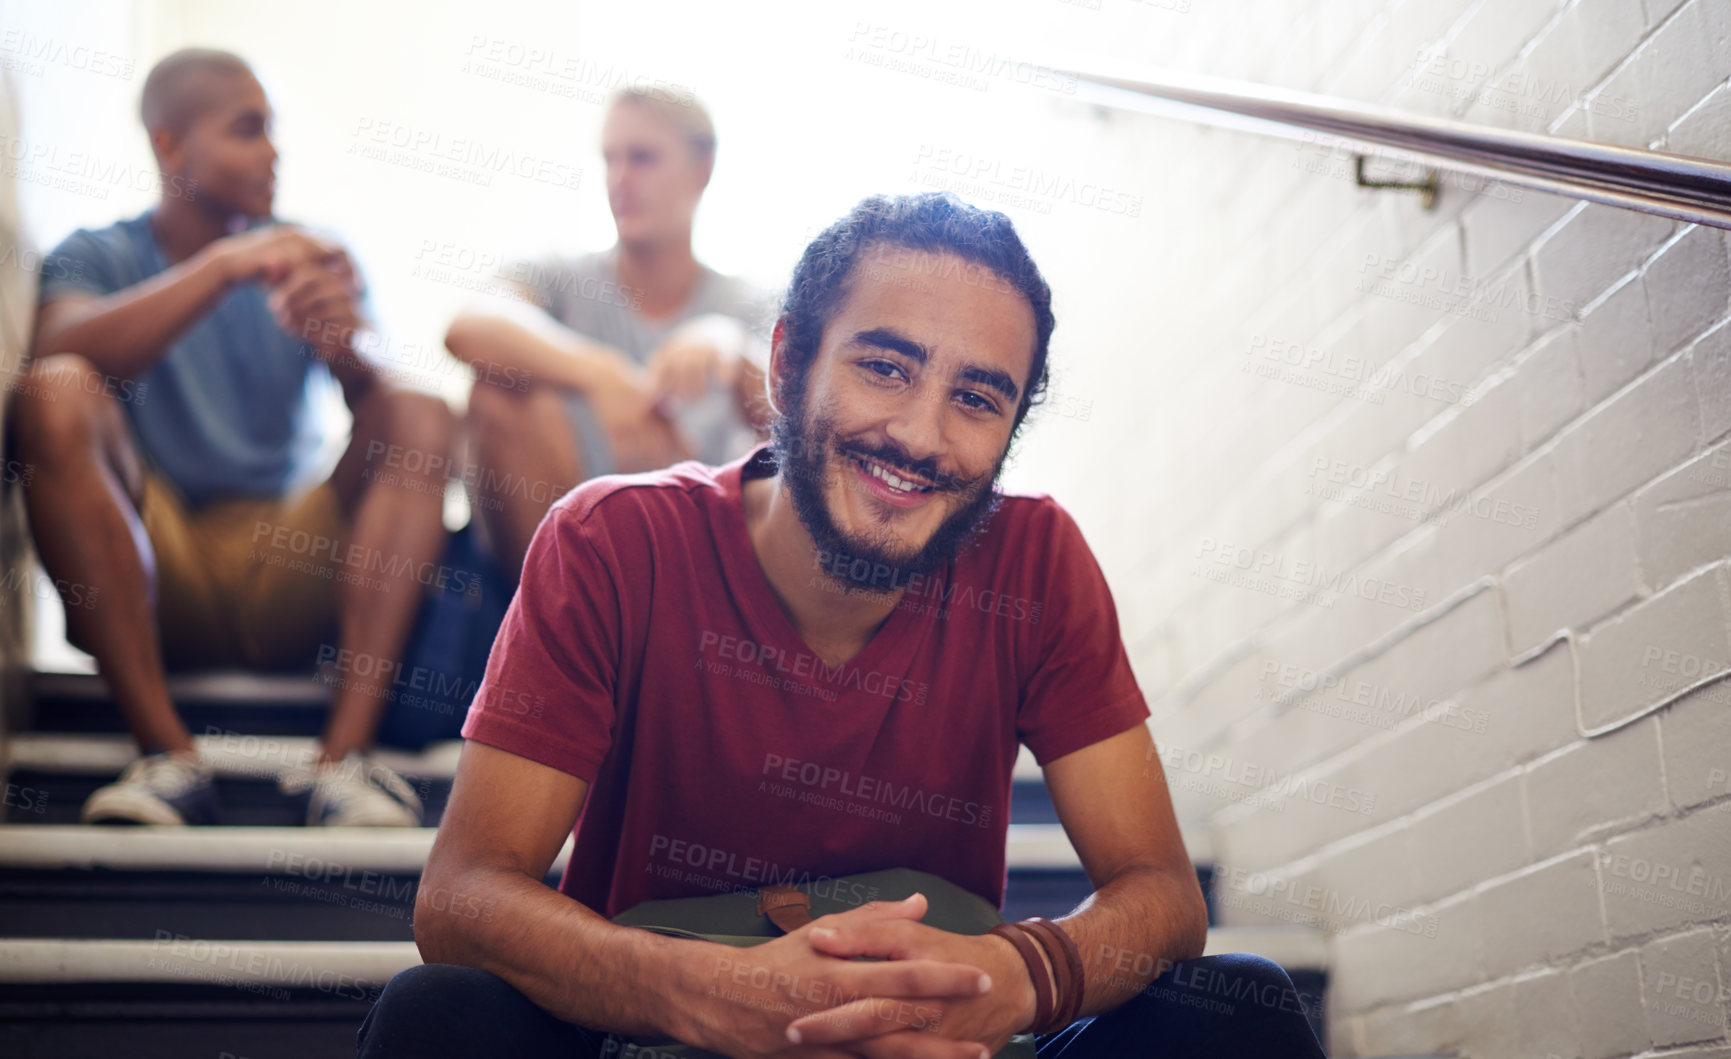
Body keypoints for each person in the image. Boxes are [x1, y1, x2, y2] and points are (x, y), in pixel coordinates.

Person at [359, 193, 1329, 1057]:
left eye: (977, 399)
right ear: (788, 363)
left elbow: (1159, 891)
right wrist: (710, 997)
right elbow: (462, 899)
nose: (919, 435)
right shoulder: (613, 542)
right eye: (885, 367)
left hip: (930, 1044)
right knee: (439, 1017)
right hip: (667, 1037)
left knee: (1235, 1008)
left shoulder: (1035, 563)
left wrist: (1018, 980)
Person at [9, 48, 455, 827]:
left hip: (289, 564)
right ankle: (167, 755)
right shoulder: (100, 252)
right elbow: (56, 348)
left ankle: (343, 764)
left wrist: (351, 347)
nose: (274, 150)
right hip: (159, 561)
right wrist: (223, 266)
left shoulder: (307, 254)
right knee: (54, 389)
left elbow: (388, 390)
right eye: (248, 130)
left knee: (418, 406)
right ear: (170, 145)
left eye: (274, 129)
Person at [443, 85, 769, 579]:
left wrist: (727, 342)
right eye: (609, 160)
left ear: (703, 168)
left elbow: (803, 415)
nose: (620, 179)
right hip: (556, 554)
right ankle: (551, 626)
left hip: (696, 567)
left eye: (643, 158)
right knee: (495, 391)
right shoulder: (561, 275)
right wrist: (602, 375)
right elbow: (468, 326)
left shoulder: (746, 304)